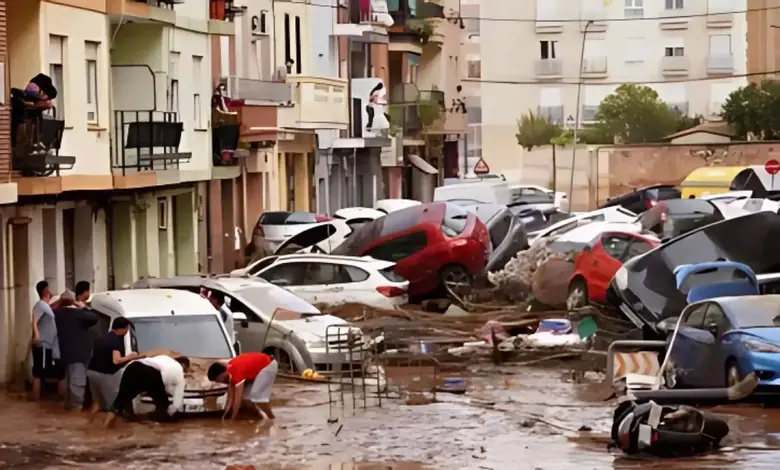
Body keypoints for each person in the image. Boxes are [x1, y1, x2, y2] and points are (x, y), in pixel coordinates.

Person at [105, 354, 190, 427]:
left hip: (132, 366)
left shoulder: (164, 358)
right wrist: (171, 412)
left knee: (121, 399)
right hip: (150, 372)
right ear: (184, 367)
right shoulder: (179, 372)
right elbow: (177, 400)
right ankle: (159, 426)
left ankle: (107, 424)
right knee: (162, 402)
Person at [53, 290, 98, 410]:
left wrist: (59, 303)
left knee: (68, 384)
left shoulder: (56, 314)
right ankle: (75, 411)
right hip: (78, 355)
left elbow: (49, 311)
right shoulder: (78, 314)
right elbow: (95, 318)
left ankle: (68, 408)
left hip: (62, 354)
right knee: (77, 385)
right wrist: (84, 307)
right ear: (74, 301)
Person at [86, 317, 138, 419]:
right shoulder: (116, 341)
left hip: (91, 372)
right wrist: (131, 357)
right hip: (105, 375)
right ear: (125, 328)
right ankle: (109, 431)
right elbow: (116, 360)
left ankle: (89, 424)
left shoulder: (101, 337)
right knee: (114, 407)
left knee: (96, 403)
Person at [207, 352, 278, 421]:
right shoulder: (229, 371)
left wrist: (232, 419)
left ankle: (272, 418)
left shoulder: (235, 372)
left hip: (268, 366)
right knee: (246, 400)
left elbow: (237, 399)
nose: (220, 382)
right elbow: (230, 397)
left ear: (221, 374)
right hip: (256, 373)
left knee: (257, 398)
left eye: (218, 380)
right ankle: (258, 417)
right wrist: (225, 414)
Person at [31, 280, 64, 401]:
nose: (51, 291)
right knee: (39, 372)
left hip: (49, 345)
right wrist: (37, 336)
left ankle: (43, 399)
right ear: (45, 291)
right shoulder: (39, 305)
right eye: (49, 289)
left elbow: (51, 308)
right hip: (43, 344)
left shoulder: (45, 306)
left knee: (50, 371)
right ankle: (36, 399)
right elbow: (34, 320)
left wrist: (61, 301)